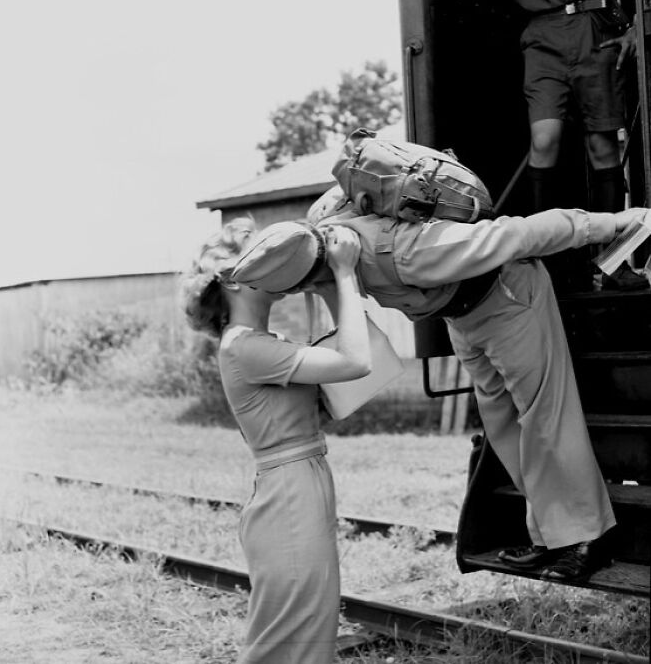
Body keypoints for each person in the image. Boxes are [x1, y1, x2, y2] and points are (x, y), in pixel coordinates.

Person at [231, 185, 651, 582]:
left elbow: (520, 234)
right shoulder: (327, 245)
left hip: (508, 297)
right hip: (461, 316)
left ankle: (586, 537)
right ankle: (550, 533)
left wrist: (611, 223)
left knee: (544, 414)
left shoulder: (405, 251)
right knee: (502, 425)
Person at [182, 216, 370, 664]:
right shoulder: (244, 347)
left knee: (308, 634)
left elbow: (348, 389)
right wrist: (344, 275)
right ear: (233, 278)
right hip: (288, 494)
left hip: (301, 482)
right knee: (288, 640)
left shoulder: (264, 342)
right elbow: (356, 362)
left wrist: (327, 283)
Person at [510, 0, 650, 290]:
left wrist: (635, 26)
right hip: (543, 34)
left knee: (602, 147)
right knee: (544, 140)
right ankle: (542, 260)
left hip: (594, 29)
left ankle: (614, 264)